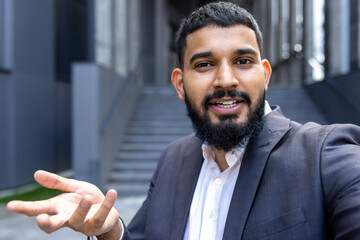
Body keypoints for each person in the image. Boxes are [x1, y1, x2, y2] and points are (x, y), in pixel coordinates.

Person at [7, 1, 360, 239]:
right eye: (205, 64)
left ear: (265, 75)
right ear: (180, 83)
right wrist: (112, 230)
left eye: (243, 61)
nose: (225, 80)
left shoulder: (326, 154)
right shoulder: (172, 160)